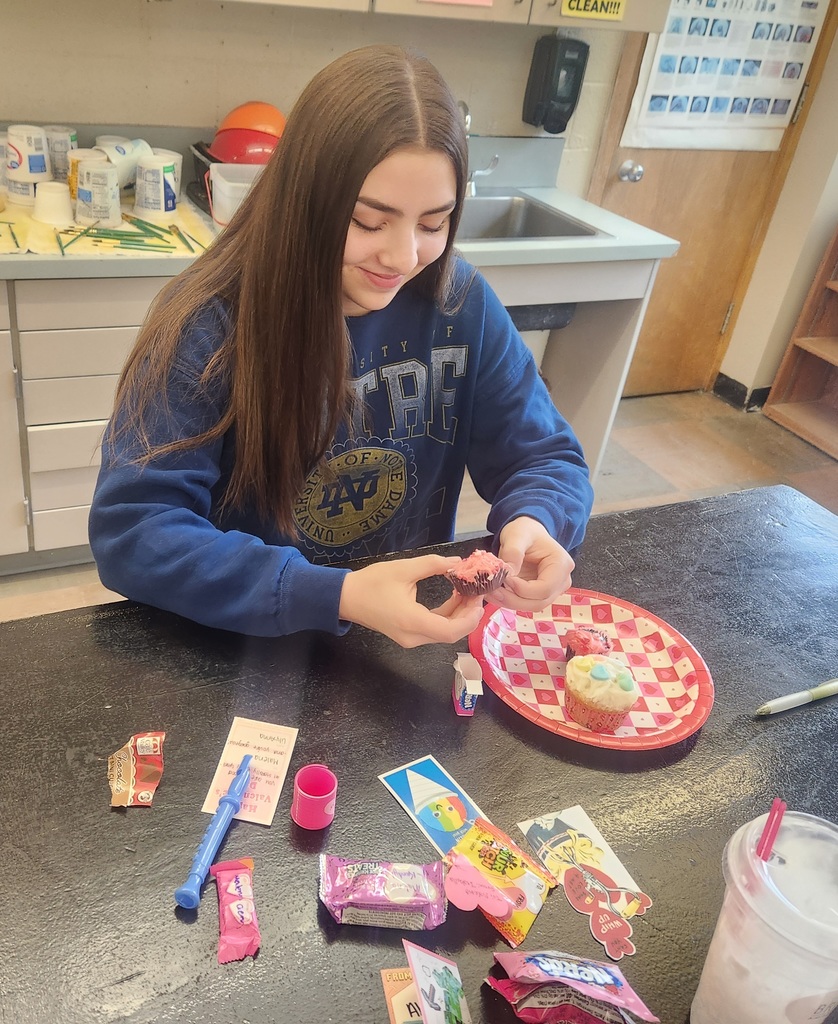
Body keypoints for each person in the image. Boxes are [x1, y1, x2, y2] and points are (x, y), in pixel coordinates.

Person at [89, 45, 593, 646]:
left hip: (399, 643)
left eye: (434, 224)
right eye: (367, 221)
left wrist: (537, 521)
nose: (403, 256)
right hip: (247, 646)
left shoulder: (459, 301)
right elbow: (137, 531)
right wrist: (337, 594)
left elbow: (545, 456)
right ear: (304, 199)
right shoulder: (210, 324)